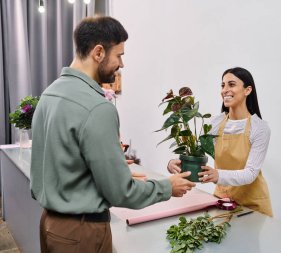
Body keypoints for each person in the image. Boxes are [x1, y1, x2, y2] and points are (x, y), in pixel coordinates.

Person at [30, 16, 195, 253]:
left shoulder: (49, 95)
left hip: (50, 225)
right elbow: (121, 193)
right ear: (98, 53)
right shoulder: (97, 107)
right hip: (82, 233)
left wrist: (113, 175)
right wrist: (167, 187)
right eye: (119, 55)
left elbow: (61, 165)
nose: (122, 64)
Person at [168, 67, 272, 217]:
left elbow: (250, 173)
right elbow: (196, 153)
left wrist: (217, 175)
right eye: (223, 85)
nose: (225, 90)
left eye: (231, 84)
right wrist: (175, 163)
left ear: (247, 90)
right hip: (223, 200)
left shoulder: (260, 128)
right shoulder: (215, 123)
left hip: (253, 205)